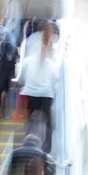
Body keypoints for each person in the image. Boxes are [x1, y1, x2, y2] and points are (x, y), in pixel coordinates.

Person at [19, 24, 59, 152]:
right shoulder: (52, 64)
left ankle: (29, 145)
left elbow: (21, 80)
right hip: (46, 94)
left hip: (31, 93)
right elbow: (55, 83)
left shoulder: (27, 60)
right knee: (47, 122)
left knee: (32, 119)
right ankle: (46, 149)